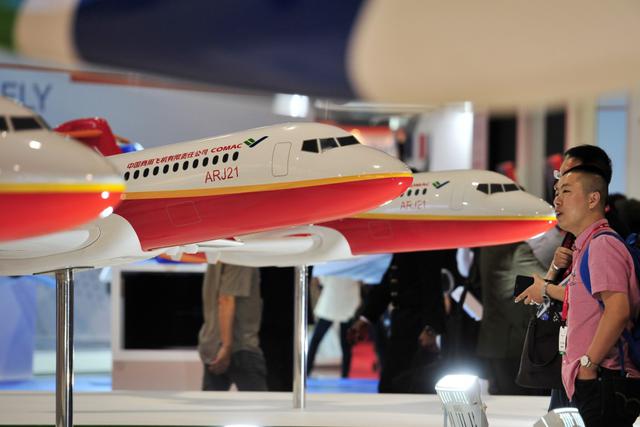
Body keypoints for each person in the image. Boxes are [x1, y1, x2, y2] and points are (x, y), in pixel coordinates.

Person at [516, 164, 640, 426]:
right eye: (556, 192)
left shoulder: (603, 245)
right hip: (593, 378)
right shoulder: (585, 246)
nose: (557, 200)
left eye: (566, 191)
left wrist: (587, 365)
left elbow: (618, 310)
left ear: (593, 199)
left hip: (603, 379)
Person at [348, 250, 455, 393]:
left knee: (408, 385)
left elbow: (432, 285)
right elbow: (389, 283)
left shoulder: (421, 246)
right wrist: (366, 318)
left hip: (419, 328)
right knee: (392, 385)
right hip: (403, 324)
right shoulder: (404, 247)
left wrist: (431, 328)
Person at [197, 262, 267, 391]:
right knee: (258, 402)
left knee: (211, 402)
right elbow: (226, 299)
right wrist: (226, 346)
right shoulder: (240, 257)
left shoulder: (218, 254)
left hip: (214, 344)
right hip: (239, 347)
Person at [307, 275, 360, 378]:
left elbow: (322, 280)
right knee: (344, 343)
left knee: (317, 339)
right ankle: (344, 375)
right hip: (340, 302)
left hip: (336, 302)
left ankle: (307, 370)